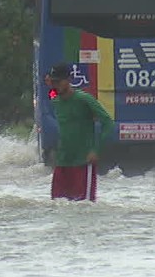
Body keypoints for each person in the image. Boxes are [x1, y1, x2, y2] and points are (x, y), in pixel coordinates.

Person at [44, 63, 114, 202]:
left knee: (84, 205)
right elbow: (50, 93)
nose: (56, 85)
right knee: (57, 204)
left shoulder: (84, 99)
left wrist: (95, 150)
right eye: (53, 82)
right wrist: (48, 83)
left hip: (83, 162)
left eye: (59, 81)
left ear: (68, 80)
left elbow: (108, 123)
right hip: (62, 162)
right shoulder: (55, 100)